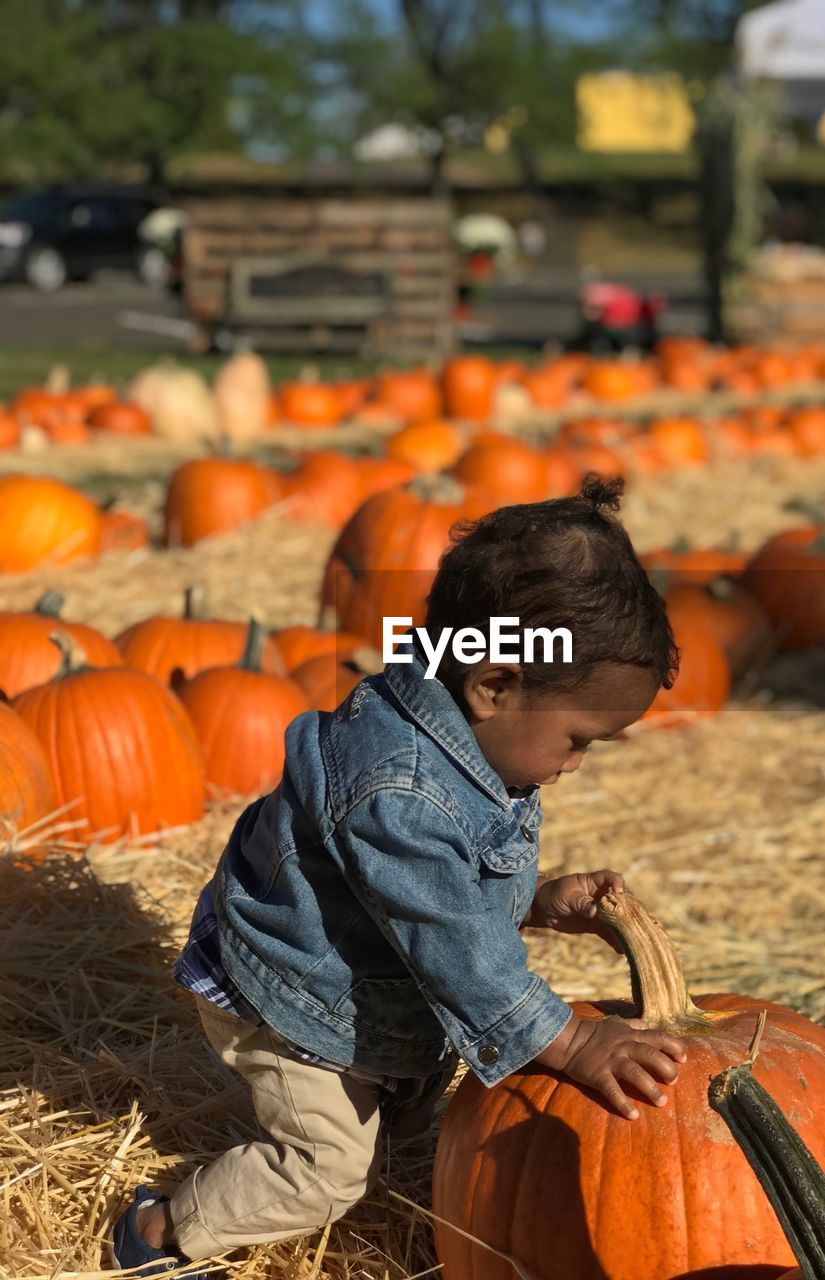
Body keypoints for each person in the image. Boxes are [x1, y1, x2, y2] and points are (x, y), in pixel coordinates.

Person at [110, 476, 687, 1277]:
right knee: (326, 1170)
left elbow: (443, 888)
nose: (575, 765)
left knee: (412, 1113)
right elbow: (455, 944)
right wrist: (577, 1041)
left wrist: (539, 899)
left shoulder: (459, 716)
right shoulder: (400, 789)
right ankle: (162, 1231)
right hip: (295, 998)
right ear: (494, 687)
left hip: (363, 975)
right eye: (580, 739)